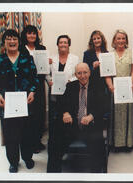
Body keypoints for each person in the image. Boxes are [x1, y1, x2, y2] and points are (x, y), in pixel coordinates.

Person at [0, 29, 39, 173]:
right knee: (11, 135)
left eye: (15, 39)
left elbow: (34, 78)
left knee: (27, 133)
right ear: (4, 42)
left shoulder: (27, 58)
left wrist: (32, 91)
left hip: (26, 103)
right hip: (6, 104)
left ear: (19, 42)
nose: (12, 42)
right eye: (9, 39)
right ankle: (13, 162)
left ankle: (27, 157)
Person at [47, 63, 105, 173]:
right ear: (75, 75)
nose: (83, 76)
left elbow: (103, 106)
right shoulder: (71, 86)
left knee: (98, 143)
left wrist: (91, 116)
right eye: (79, 73)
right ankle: (53, 175)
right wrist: (65, 113)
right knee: (54, 139)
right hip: (72, 125)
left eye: (85, 72)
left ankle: (96, 176)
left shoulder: (98, 86)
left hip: (91, 126)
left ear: (89, 73)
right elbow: (61, 103)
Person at [46, 35, 80, 168]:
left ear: (69, 44)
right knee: (55, 124)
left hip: (69, 93)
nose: (63, 44)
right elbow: (46, 74)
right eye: (60, 42)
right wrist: (49, 81)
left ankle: (64, 146)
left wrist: (69, 81)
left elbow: (78, 74)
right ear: (57, 44)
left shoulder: (75, 58)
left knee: (66, 122)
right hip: (55, 94)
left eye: (65, 42)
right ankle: (57, 150)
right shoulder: (51, 59)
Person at [20, 25, 51, 153]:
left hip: (39, 85)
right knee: (28, 115)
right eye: (29, 33)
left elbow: (45, 70)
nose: (32, 36)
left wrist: (47, 63)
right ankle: (28, 143)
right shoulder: (21, 49)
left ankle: (37, 141)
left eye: (34, 34)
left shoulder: (41, 48)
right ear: (25, 35)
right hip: (25, 85)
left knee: (39, 113)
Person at [105, 29, 133, 152]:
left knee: (128, 115)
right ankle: (116, 143)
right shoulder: (109, 55)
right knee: (116, 116)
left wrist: (132, 83)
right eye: (118, 38)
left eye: (123, 38)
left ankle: (128, 143)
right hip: (115, 90)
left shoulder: (131, 53)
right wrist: (110, 86)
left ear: (126, 40)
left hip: (128, 89)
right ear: (114, 40)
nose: (121, 40)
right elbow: (107, 74)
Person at [83, 30, 110, 120]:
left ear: (102, 39)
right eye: (94, 39)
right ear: (92, 41)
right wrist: (92, 67)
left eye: (98, 38)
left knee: (104, 109)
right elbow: (84, 71)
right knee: (94, 109)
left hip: (104, 85)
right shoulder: (87, 54)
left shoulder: (107, 53)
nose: (96, 40)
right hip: (93, 85)